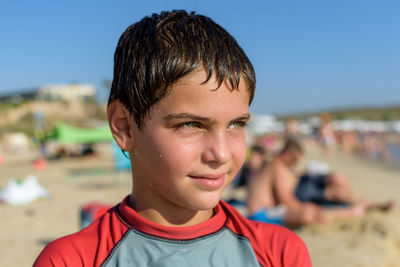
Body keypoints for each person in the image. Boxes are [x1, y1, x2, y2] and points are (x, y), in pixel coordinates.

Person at [34, 10, 311, 266]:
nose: (222, 154)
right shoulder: (71, 260)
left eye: (236, 124)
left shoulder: (279, 252)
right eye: (191, 124)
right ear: (124, 128)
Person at [247, 138, 382, 227]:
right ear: (287, 154)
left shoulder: (275, 165)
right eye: (294, 160)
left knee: (310, 209)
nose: (294, 164)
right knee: (308, 213)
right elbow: (285, 199)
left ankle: (356, 208)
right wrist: (306, 207)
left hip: (262, 212)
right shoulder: (277, 166)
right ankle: (352, 212)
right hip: (261, 215)